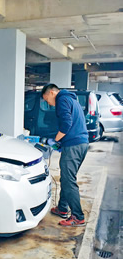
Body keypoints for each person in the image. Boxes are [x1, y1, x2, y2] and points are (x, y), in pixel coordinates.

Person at [41, 83, 89, 227]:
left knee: (69, 181)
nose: (49, 104)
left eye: (47, 100)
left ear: (51, 93)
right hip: (80, 143)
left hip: (74, 145)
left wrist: (55, 140)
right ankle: (62, 208)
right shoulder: (71, 99)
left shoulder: (62, 99)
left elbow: (66, 124)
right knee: (66, 178)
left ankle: (77, 216)